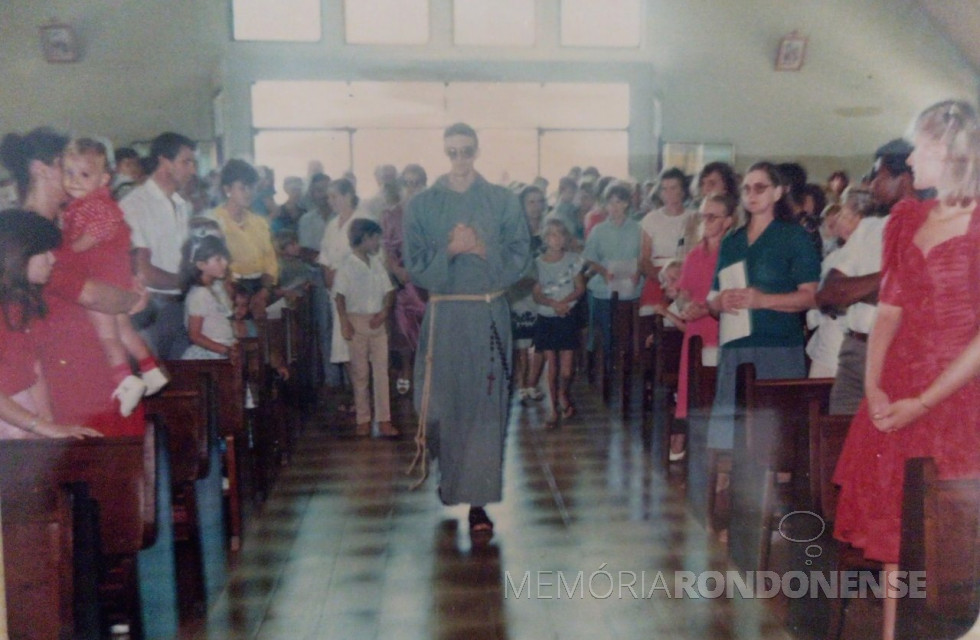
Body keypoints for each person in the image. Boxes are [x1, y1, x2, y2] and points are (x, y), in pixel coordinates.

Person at [833, 99, 980, 640]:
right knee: (895, 537)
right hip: (896, 389)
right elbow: (889, 308)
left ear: (947, 149)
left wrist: (926, 400)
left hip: (957, 394)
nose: (910, 158)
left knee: (955, 543)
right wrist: (874, 385)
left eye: (919, 146)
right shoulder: (907, 217)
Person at [404, 122, 531, 538]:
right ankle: (449, 475)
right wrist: (451, 251)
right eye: (452, 152)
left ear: (477, 151)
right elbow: (416, 265)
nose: (460, 160)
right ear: (445, 153)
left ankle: (479, 505)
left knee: (484, 409)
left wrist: (480, 249)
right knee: (438, 408)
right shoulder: (422, 205)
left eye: (466, 151)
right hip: (443, 317)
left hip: (486, 314)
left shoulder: (502, 200)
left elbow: (520, 259)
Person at [1, 128, 147, 435]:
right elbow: (91, 294)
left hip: (94, 357)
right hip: (64, 370)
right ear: (40, 170)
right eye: (64, 167)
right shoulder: (27, 235)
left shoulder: (69, 219)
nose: (73, 177)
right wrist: (132, 298)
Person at [706, 161, 821, 450]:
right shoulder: (732, 241)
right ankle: (722, 488)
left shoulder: (794, 236)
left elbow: (811, 296)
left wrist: (763, 300)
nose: (751, 194)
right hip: (735, 344)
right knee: (729, 436)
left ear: (778, 192)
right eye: (746, 188)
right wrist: (719, 302)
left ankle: (774, 490)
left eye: (760, 187)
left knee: (774, 440)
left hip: (778, 344)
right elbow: (712, 295)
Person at [60, 138, 168, 416]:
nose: (74, 181)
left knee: (107, 336)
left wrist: (68, 251)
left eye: (84, 175)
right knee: (124, 330)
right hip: (115, 274)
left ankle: (125, 379)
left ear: (104, 178)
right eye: (68, 173)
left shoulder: (93, 205)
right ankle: (150, 369)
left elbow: (96, 234)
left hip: (102, 276)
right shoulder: (91, 203)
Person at [815, 139, 917, 415]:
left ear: (904, 179)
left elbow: (918, 296)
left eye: (879, 175)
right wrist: (895, 277)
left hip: (896, 353)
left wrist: (859, 289)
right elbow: (829, 293)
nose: (872, 185)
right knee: (839, 439)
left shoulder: (928, 226)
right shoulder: (870, 228)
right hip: (854, 350)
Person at [0, 210, 103, 440]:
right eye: (43, 252)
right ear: (17, 255)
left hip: (22, 413)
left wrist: (47, 422)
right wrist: (39, 426)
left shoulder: (22, 302)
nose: (52, 259)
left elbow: (33, 368)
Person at [668, 194, 736, 460]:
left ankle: (716, 447)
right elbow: (685, 291)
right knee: (689, 385)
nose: (705, 221)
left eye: (713, 216)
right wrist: (684, 303)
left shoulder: (730, 252)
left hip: (718, 326)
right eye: (703, 215)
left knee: (717, 390)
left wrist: (706, 308)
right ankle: (682, 433)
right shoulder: (695, 253)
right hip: (695, 329)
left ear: (728, 221)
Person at [120, 131, 198, 359]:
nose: (192, 170)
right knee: (156, 386)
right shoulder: (135, 205)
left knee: (184, 383)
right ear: (164, 162)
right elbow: (144, 273)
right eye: (186, 162)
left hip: (183, 307)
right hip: (153, 310)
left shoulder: (182, 205)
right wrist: (187, 281)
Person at [334, 219, 397, 437]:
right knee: (360, 373)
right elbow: (339, 296)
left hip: (377, 322)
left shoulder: (376, 263)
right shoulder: (347, 265)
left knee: (381, 372)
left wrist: (384, 312)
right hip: (356, 322)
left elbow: (389, 291)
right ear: (364, 238)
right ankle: (363, 418)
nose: (378, 242)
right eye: (375, 238)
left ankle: (384, 419)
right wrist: (344, 322)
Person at [319, 177, 371, 397]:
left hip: (359, 294)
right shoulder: (332, 224)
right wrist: (328, 275)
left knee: (361, 346)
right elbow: (325, 256)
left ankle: (367, 397)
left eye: (335, 196)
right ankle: (357, 395)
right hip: (337, 295)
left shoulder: (364, 219)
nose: (331, 201)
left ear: (349, 195)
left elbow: (372, 258)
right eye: (329, 197)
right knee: (344, 345)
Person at [209, 159, 279, 319]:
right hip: (228, 292)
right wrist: (234, 295)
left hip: (260, 290)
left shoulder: (259, 222)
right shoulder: (214, 221)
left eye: (252, 187)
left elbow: (270, 263)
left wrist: (264, 292)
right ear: (227, 189)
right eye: (242, 187)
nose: (248, 192)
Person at [531, 219, 585, 428]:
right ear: (545, 238)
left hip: (567, 315)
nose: (557, 238)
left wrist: (565, 303)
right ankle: (552, 408)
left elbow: (580, 288)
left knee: (566, 370)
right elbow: (536, 294)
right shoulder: (538, 263)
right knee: (551, 364)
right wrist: (552, 303)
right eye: (552, 234)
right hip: (547, 317)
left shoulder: (573, 259)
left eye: (561, 234)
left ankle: (563, 394)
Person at [583, 181, 643, 360]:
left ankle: (627, 370)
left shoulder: (638, 228)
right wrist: (603, 271)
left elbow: (643, 257)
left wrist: (638, 272)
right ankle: (603, 372)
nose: (615, 207)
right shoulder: (598, 230)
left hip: (631, 288)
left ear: (626, 203)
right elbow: (590, 258)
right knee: (604, 338)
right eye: (610, 202)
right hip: (605, 286)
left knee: (628, 338)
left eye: (619, 202)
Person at [382, 166, 427, 395]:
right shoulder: (391, 215)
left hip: (426, 280)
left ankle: (426, 375)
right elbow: (386, 248)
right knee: (402, 328)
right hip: (401, 280)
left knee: (428, 328)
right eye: (408, 183)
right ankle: (406, 371)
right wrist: (397, 270)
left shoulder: (431, 214)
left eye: (417, 182)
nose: (412, 188)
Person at [639, 168, 697, 316]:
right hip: (658, 279)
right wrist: (662, 279)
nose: (668, 193)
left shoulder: (694, 218)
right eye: (664, 189)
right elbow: (644, 259)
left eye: (673, 188)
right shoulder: (651, 219)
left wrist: (680, 280)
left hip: (687, 279)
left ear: (683, 190)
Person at [510, 185, 546, 402]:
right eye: (530, 202)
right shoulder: (515, 233)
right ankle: (522, 384)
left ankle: (534, 383)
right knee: (521, 342)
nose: (535, 207)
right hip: (520, 291)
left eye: (539, 202)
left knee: (542, 341)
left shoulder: (551, 229)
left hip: (545, 292)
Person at [179, 233, 238, 361]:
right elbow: (194, 335)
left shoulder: (217, 287)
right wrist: (225, 350)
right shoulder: (199, 294)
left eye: (225, 258)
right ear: (201, 265)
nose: (225, 263)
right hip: (211, 353)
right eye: (218, 259)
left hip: (226, 347)